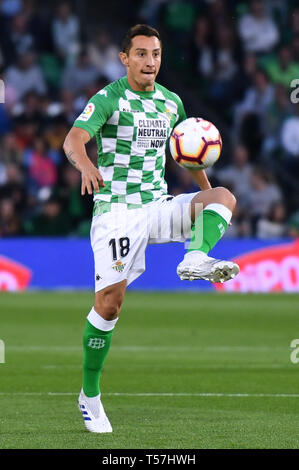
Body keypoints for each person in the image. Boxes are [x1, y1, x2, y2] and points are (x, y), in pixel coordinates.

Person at [63, 24, 239, 434]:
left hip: (156, 205)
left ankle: (195, 257)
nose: (150, 61)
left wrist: (207, 199)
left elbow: (188, 156)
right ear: (125, 58)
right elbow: (74, 138)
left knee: (225, 197)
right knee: (109, 304)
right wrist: (86, 164)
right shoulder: (110, 98)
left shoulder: (171, 103)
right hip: (116, 211)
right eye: (141, 54)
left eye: (156, 54)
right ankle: (89, 395)